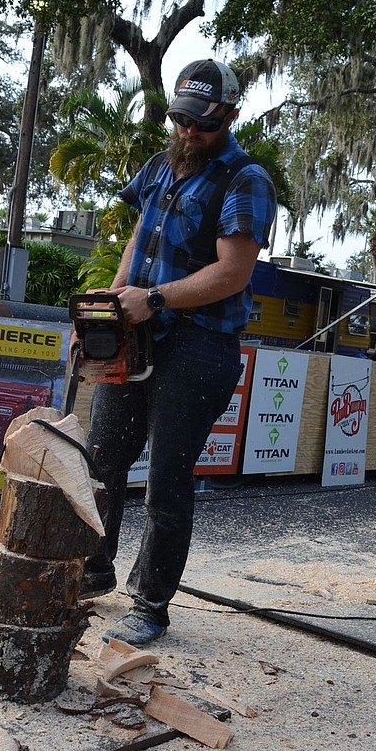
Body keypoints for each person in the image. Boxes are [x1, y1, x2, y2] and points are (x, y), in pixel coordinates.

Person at [78, 58, 277, 645]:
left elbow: (234, 273)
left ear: (230, 116)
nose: (190, 133)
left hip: (198, 347)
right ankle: (93, 569)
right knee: (102, 461)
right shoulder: (161, 166)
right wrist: (106, 313)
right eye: (182, 121)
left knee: (167, 478)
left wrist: (156, 299)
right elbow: (139, 242)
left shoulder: (245, 180)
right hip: (138, 332)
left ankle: (152, 604)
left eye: (203, 125)